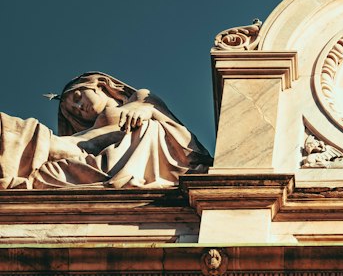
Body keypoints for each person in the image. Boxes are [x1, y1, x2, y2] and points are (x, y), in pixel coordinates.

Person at [0, 72, 210, 189]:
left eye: (77, 98)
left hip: (97, 162)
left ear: (101, 85)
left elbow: (153, 109)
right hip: (62, 152)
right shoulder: (85, 131)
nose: (79, 108)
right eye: (74, 112)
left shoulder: (138, 99)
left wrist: (144, 109)